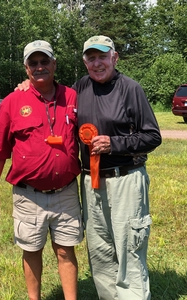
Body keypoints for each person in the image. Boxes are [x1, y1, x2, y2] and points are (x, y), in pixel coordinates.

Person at [16, 35, 162, 300]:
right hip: (90, 183)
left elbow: (153, 136)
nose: (97, 63)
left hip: (125, 179)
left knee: (129, 248)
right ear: (85, 63)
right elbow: (50, 91)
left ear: (114, 58)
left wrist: (114, 143)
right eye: (91, 58)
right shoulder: (79, 89)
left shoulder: (131, 89)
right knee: (100, 251)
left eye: (102, 57)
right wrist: (29, 84)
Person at [0, 40, 83, 300]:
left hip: (66, 192)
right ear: (26, 69)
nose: (40, 67)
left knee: (65, 251)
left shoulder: (72, 96)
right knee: (31, 249)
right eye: (33, 63)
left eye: (44, 61)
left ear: (54, 64)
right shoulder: (13, 101)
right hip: (29, 196)